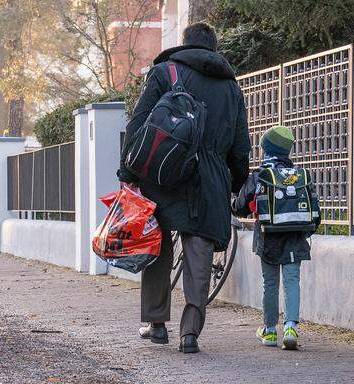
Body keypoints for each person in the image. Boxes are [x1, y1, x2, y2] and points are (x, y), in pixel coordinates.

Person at [117, 22, 251, 353]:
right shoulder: (231, 88)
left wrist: (128, 172)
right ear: (215, 47)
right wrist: (234, 183)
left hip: (164, 172)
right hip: (211, 178)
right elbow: (240, 144)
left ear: (185, 44)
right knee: (200, 252)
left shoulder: (165, 73)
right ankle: (190, 333)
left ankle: (156, 322)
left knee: (157, 244)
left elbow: (139, 123)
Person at [233, 125, 319, 350]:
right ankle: (291, 327)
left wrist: (234, 204)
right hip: (295, 237)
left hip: (268, 237)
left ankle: (269, 330)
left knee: (270, 283)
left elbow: (241, 207)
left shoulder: (261, 175)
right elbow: (315, 210)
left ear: (267, 150)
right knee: (292, 281)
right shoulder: (300, 175)